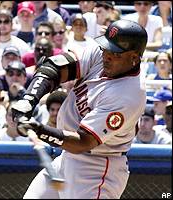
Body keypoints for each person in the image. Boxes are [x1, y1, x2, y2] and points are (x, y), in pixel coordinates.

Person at [11, 19, 148, 198]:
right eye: (106, 48)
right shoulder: (102, 53)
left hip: (96, 169)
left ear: (134, 57)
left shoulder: (129, 94)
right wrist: (29, 99)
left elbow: (84, 142)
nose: (107, 55)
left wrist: (39, 131)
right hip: (67, 158)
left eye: (115, 53)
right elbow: (56, 67)